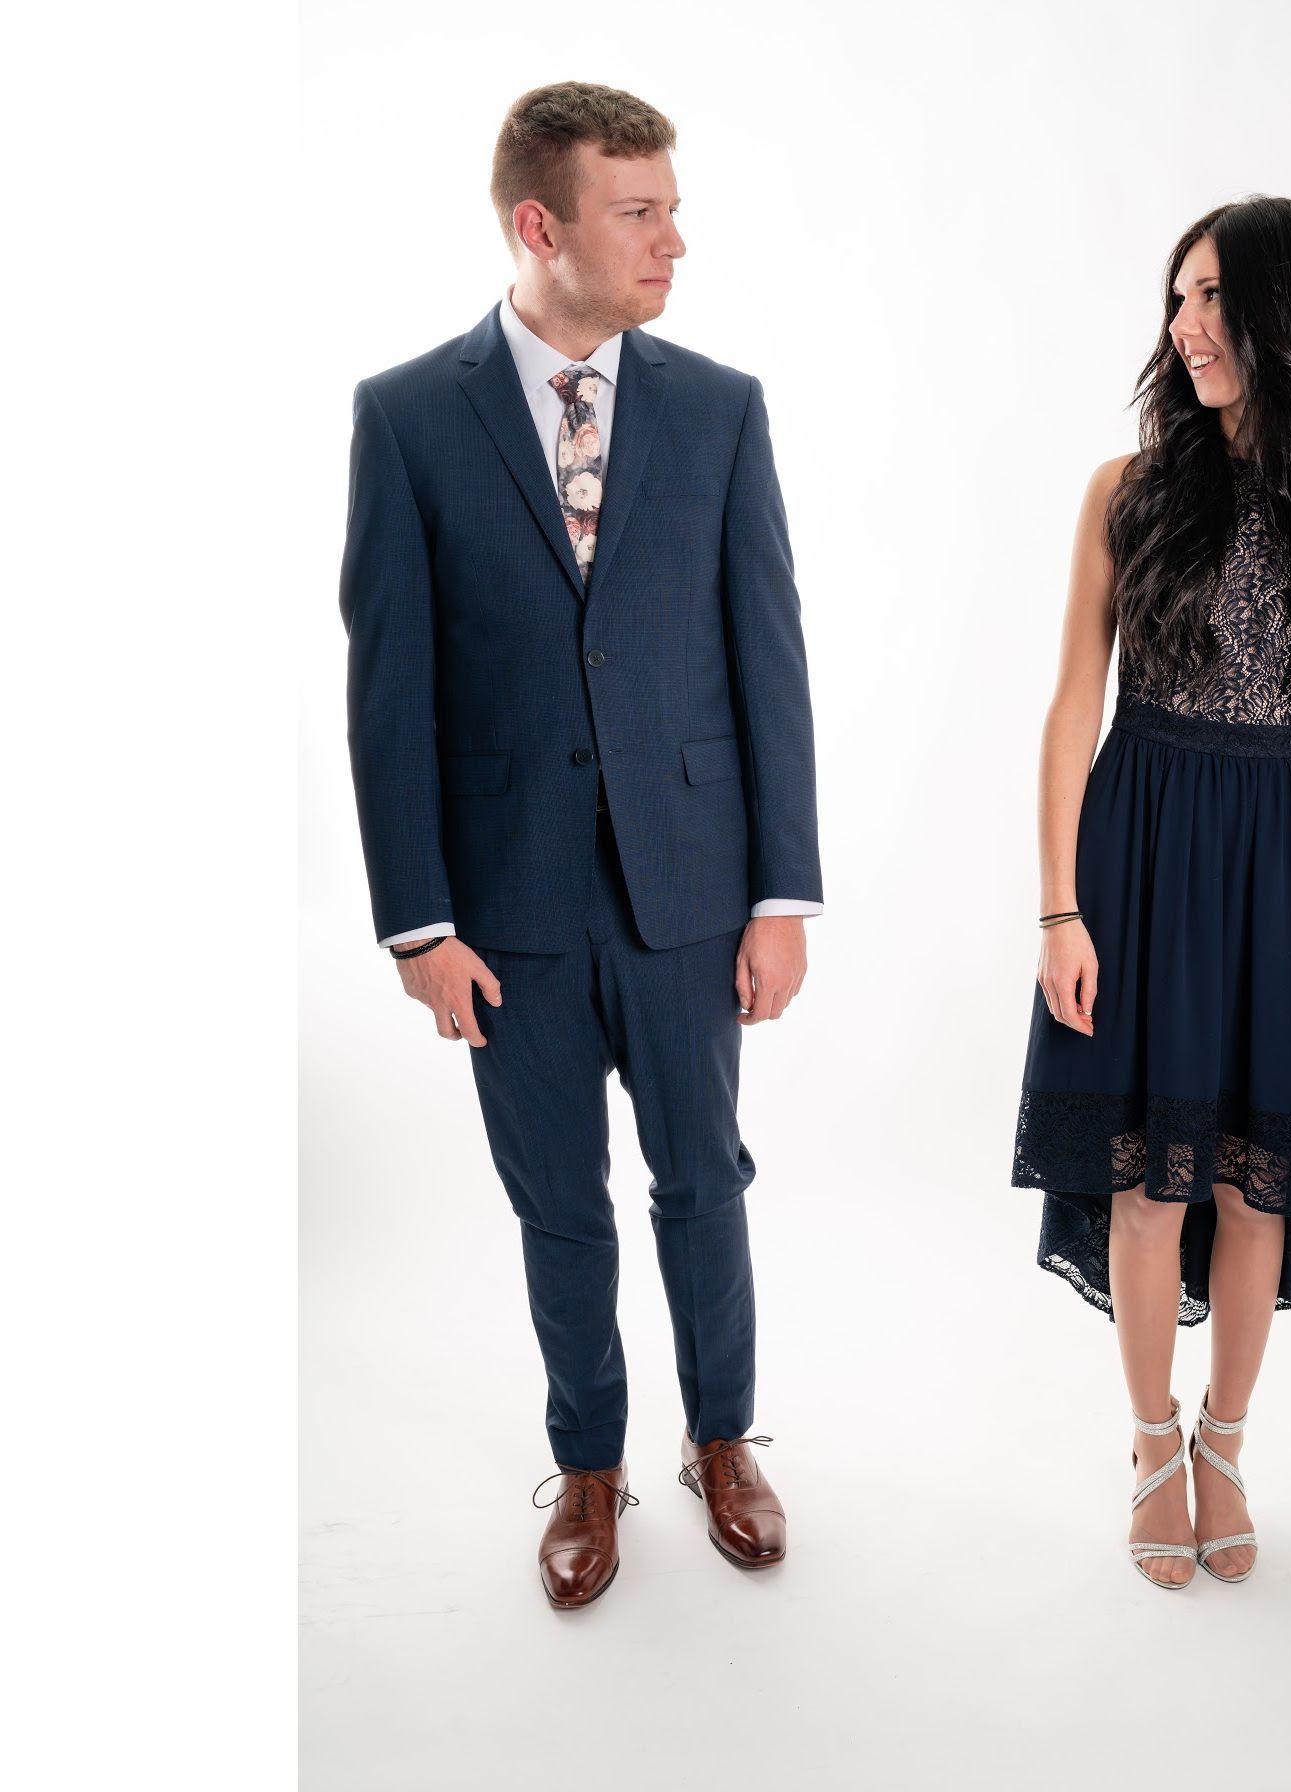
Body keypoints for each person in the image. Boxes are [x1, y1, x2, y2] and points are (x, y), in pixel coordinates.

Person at [339, 81, 821, 1608]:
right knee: (558, 1203)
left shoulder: (722, 408)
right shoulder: (407, 418)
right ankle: (591, 1463)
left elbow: (770, 661)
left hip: (691, 893)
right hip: (510, 912)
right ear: (540, 227)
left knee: (705, 1182)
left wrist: (782, 895)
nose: (675, 239)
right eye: (641, 211)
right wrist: (421, 926)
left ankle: (723, 1438)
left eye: (673, 208)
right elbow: (389, 692)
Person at [1011, 196, 1291, 1589]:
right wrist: (1058, 907)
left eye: (1217, 297)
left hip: (1282, 866)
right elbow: (1073, 704)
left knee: (1254, 1187)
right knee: (1145, 1178)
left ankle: (1224, 1444)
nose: (1188, 326)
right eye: (1179, 296)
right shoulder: (1126, 491)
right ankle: (1149, 1442)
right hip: (1141, 847)